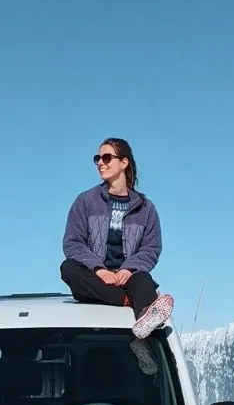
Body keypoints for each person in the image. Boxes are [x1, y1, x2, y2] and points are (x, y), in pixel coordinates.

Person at [59, 138, 175, 343]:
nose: (100, 163)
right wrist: (99, 270)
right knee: (68, 268)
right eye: (97, 159)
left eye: (106, 157)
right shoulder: (85, 201)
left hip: (128, 278)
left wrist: (128, 269)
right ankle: (130, 302)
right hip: (96, 280)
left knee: (143, 280)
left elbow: (151, 248)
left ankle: (144, 334)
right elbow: (73, 243)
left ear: (124, 162)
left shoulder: (146, 209)